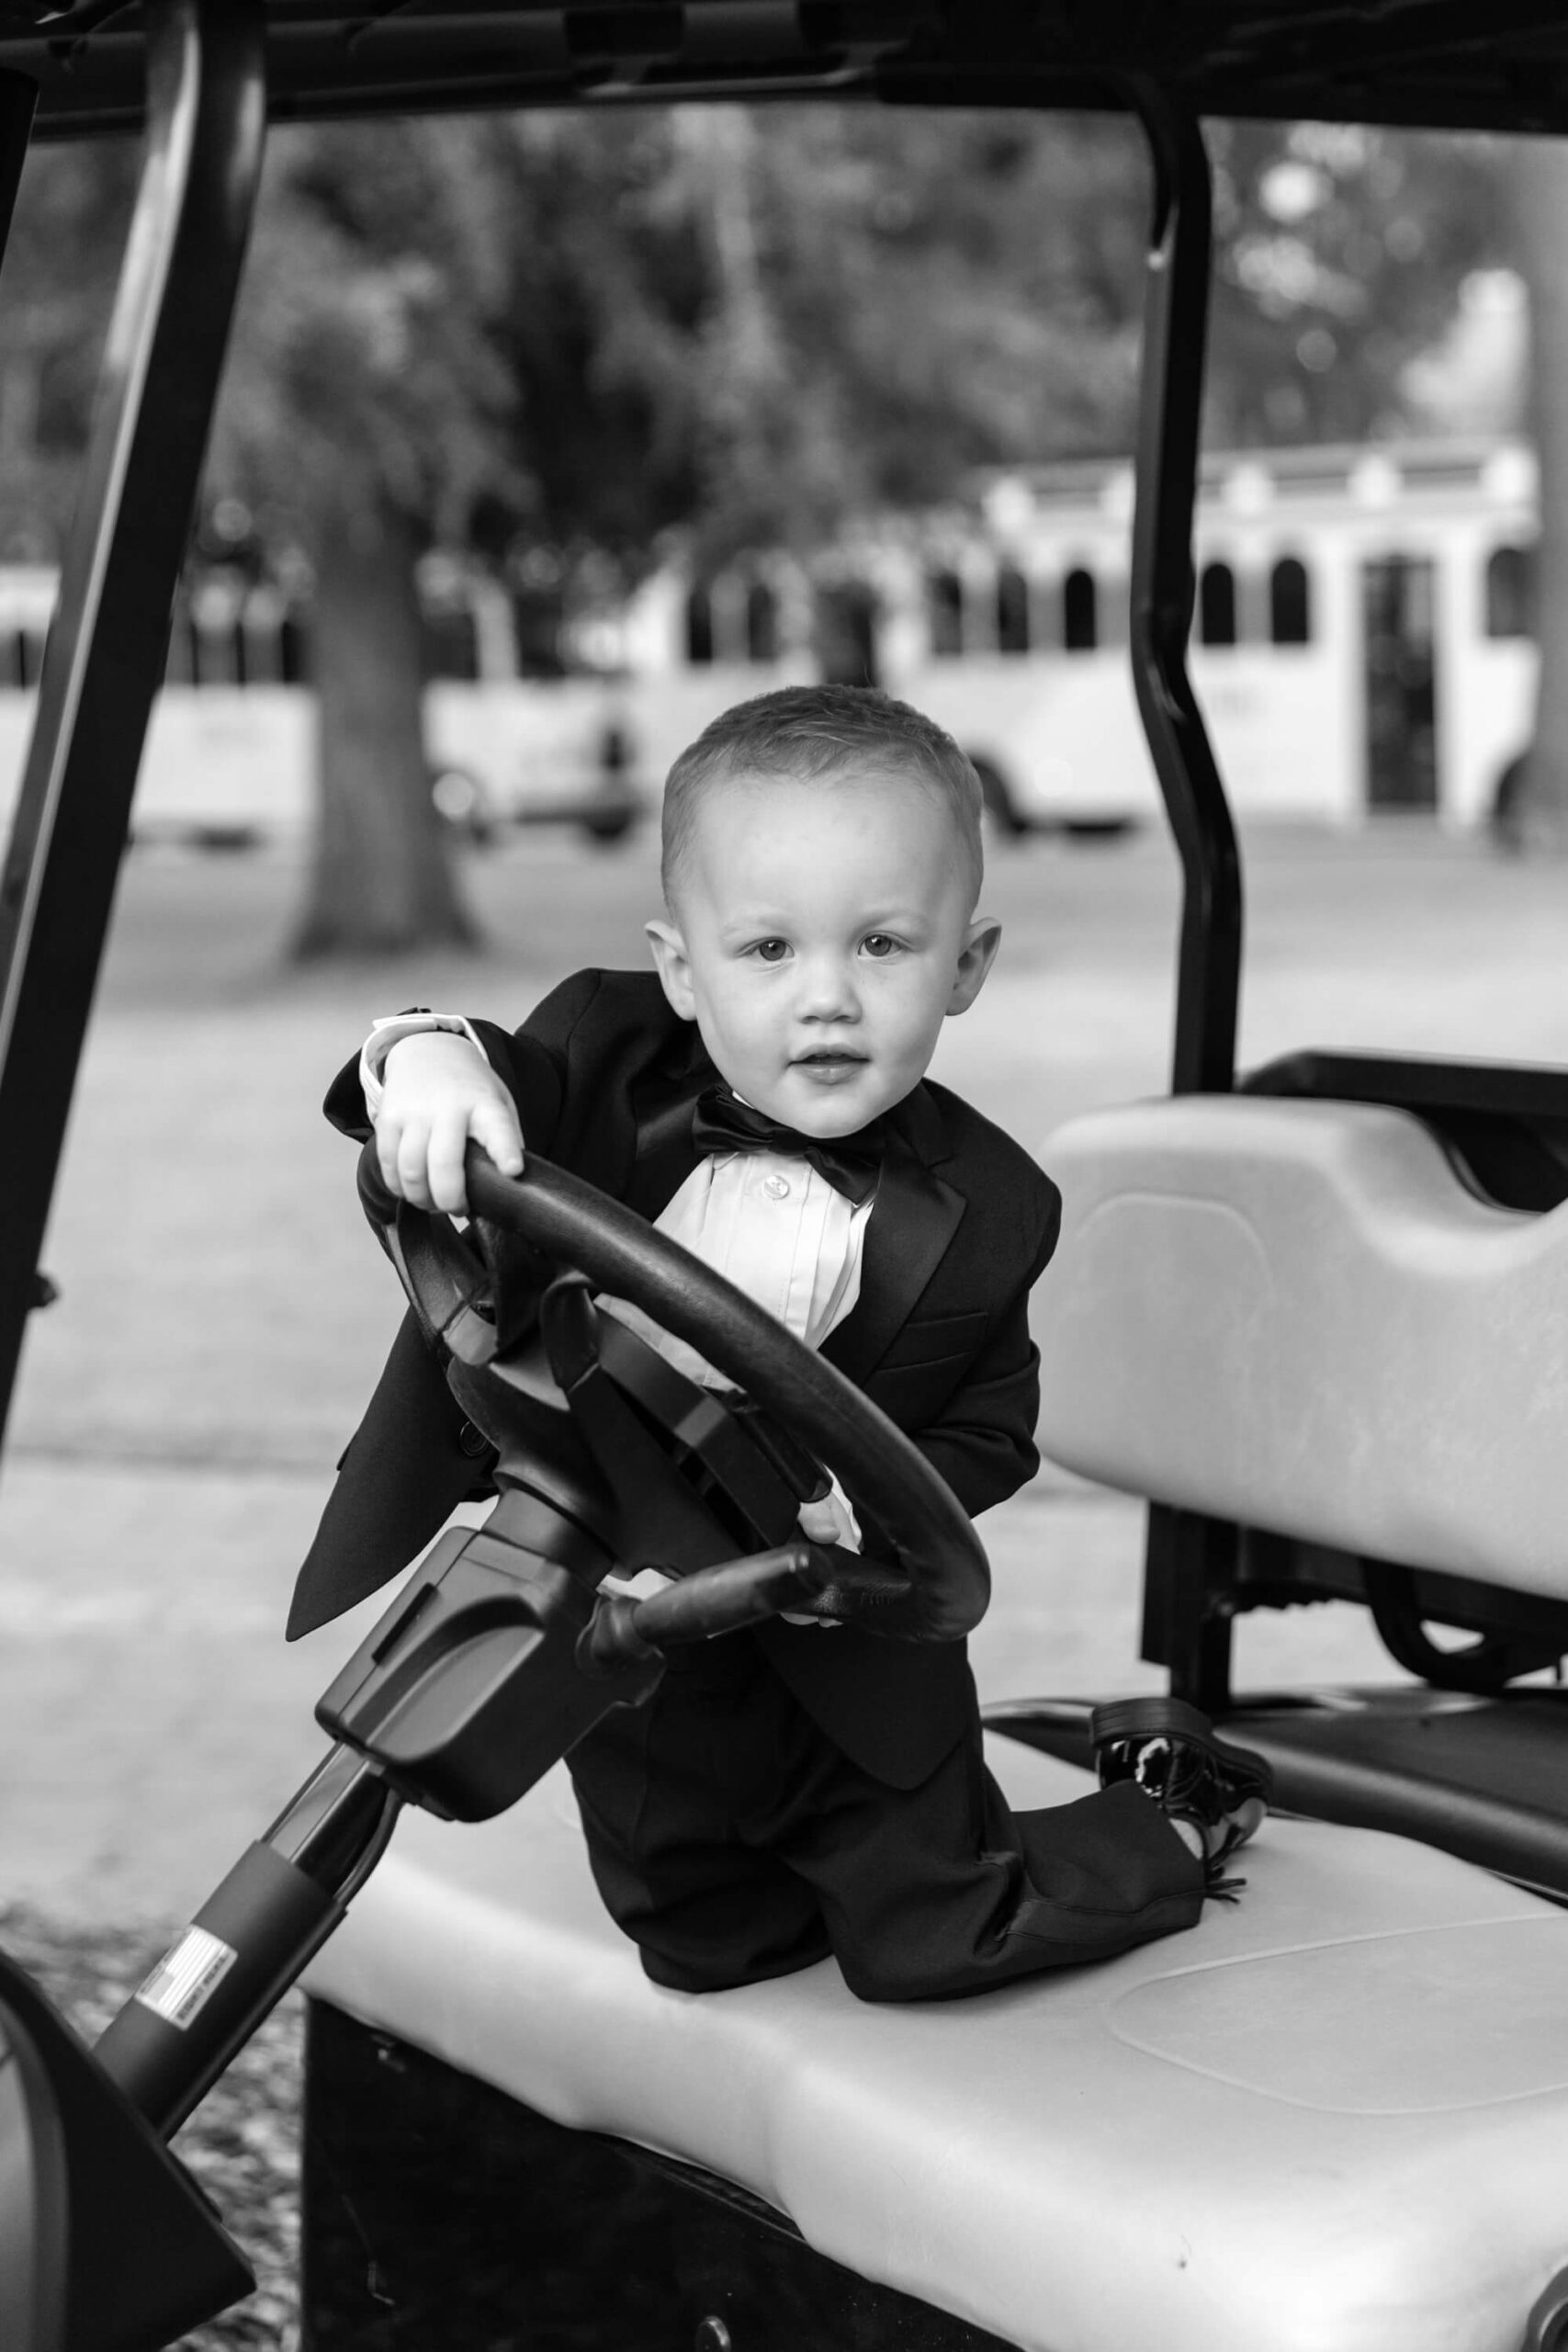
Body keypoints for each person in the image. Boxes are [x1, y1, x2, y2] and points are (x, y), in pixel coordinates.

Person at [288, 684, 1269, 2003]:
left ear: (966, 966)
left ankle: (1168, 1814)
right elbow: (474, 1067)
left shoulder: (994, 1208)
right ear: (681, 968)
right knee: (705, 1945)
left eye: (883, 946)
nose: (826, 1000)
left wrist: (854, 1515)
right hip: (618, 1622)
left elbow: (992, 1433)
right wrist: (424, 1059)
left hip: (837, 1640)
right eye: (766, 950)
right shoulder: (599, 1053)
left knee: (933, 1936)